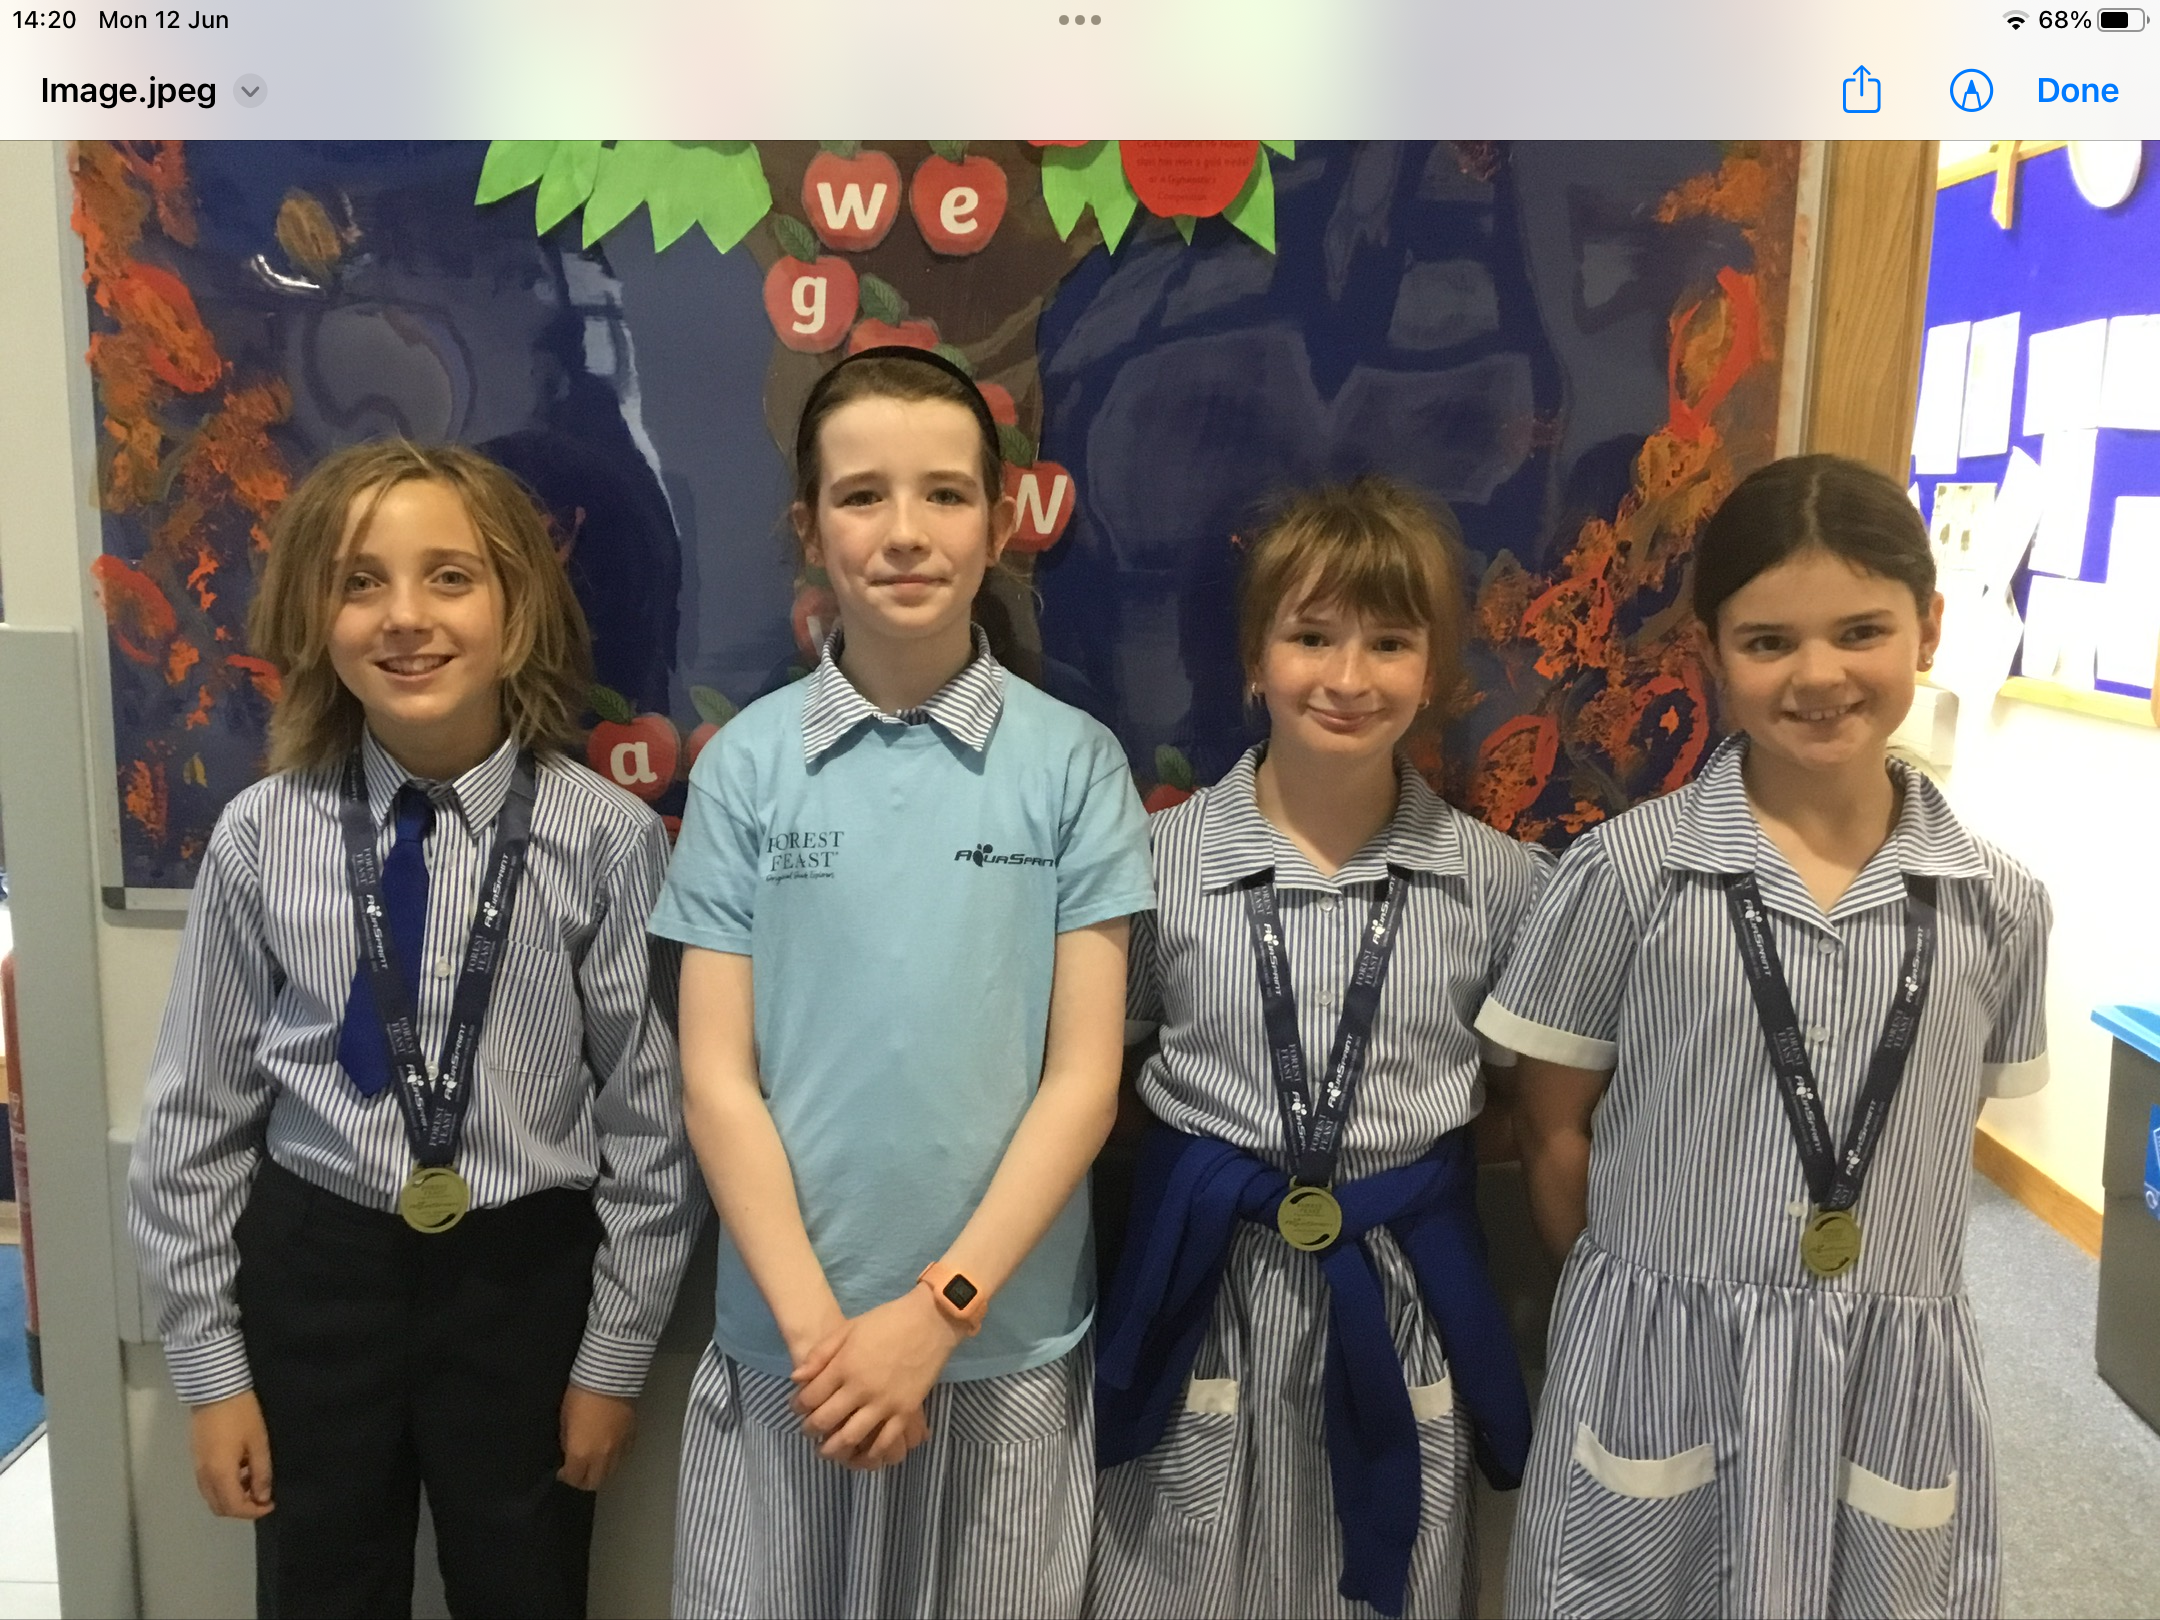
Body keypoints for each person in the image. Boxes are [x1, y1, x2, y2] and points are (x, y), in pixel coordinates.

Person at [128, 440, 701, 1619]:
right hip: (316, 1271)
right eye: (360, 582)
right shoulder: (261, 836)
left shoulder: (604, 842)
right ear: (314, 614)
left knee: (527, 1590)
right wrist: (212, 1373)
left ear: (516, 605)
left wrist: (612, 1360)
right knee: (321, 1594)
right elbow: (192, 1121)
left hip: (525, 1281)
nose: (404, 617)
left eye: (450, 576)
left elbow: (653, 1128)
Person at [1481, 454, 2052, 1619]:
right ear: (1710, 652)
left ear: (1929, 627)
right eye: (1770, 642)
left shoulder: (1997, 904)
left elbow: (1943, 1128)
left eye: (1861, 631)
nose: (1820, 675)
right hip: (1658, 1357)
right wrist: (1641, 1296)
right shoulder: (1625, 876)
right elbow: (1552, 1131)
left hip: (1887, 1374)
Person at [650, 348, 1152, 1619]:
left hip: (1002, 1345)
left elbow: (1082, 1083)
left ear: (1000, 519)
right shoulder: (746, 766)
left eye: (944, 494)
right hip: (793, 1356)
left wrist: (938, 1313)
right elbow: (716, 1082)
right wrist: (826, 1341)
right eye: (862, 495)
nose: (906, 532)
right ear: (808, 528)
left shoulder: (1074, 765)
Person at [1089, 478, 1543, 1620]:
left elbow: (1524, 1106)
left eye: (1389, 642)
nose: (1348, 678)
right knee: (1184, 1572)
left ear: (1435, 673)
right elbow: (1107, 1084)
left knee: (1389, 1567)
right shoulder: (1155, 865)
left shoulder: (1498, 883)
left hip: (1400, 1292)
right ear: (1255, 658)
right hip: (1210, 1284)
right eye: (1310, 637)